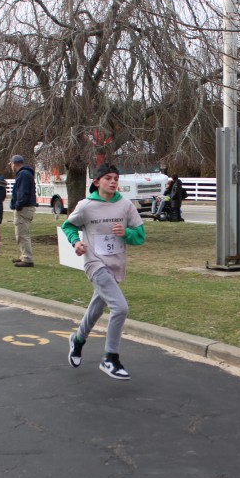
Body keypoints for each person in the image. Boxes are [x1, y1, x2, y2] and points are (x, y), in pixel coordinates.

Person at [61, 163, 146, 380]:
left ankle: (77, 340)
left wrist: (126, 233)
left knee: (97, 308)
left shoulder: (125, 206)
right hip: (95, 264)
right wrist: (76, 242)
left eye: (116, 178)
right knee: (120, 308)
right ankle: (110, 358)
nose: (113, 182)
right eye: (108, 178)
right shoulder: (86, 206)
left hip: (116, 264)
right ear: (97, 182)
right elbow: (68, 226)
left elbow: (140, 235)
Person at [7, 155, 37, 267]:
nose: (11, 166)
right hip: (27, 207)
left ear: (14, 163)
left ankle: (27, 258)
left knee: (22, 234)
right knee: (24, 233)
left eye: (11, 164)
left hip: (23, 208)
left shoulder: (23, 174)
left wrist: (18, 205)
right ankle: (23, 255)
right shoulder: (26, 173)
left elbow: (22, 193)